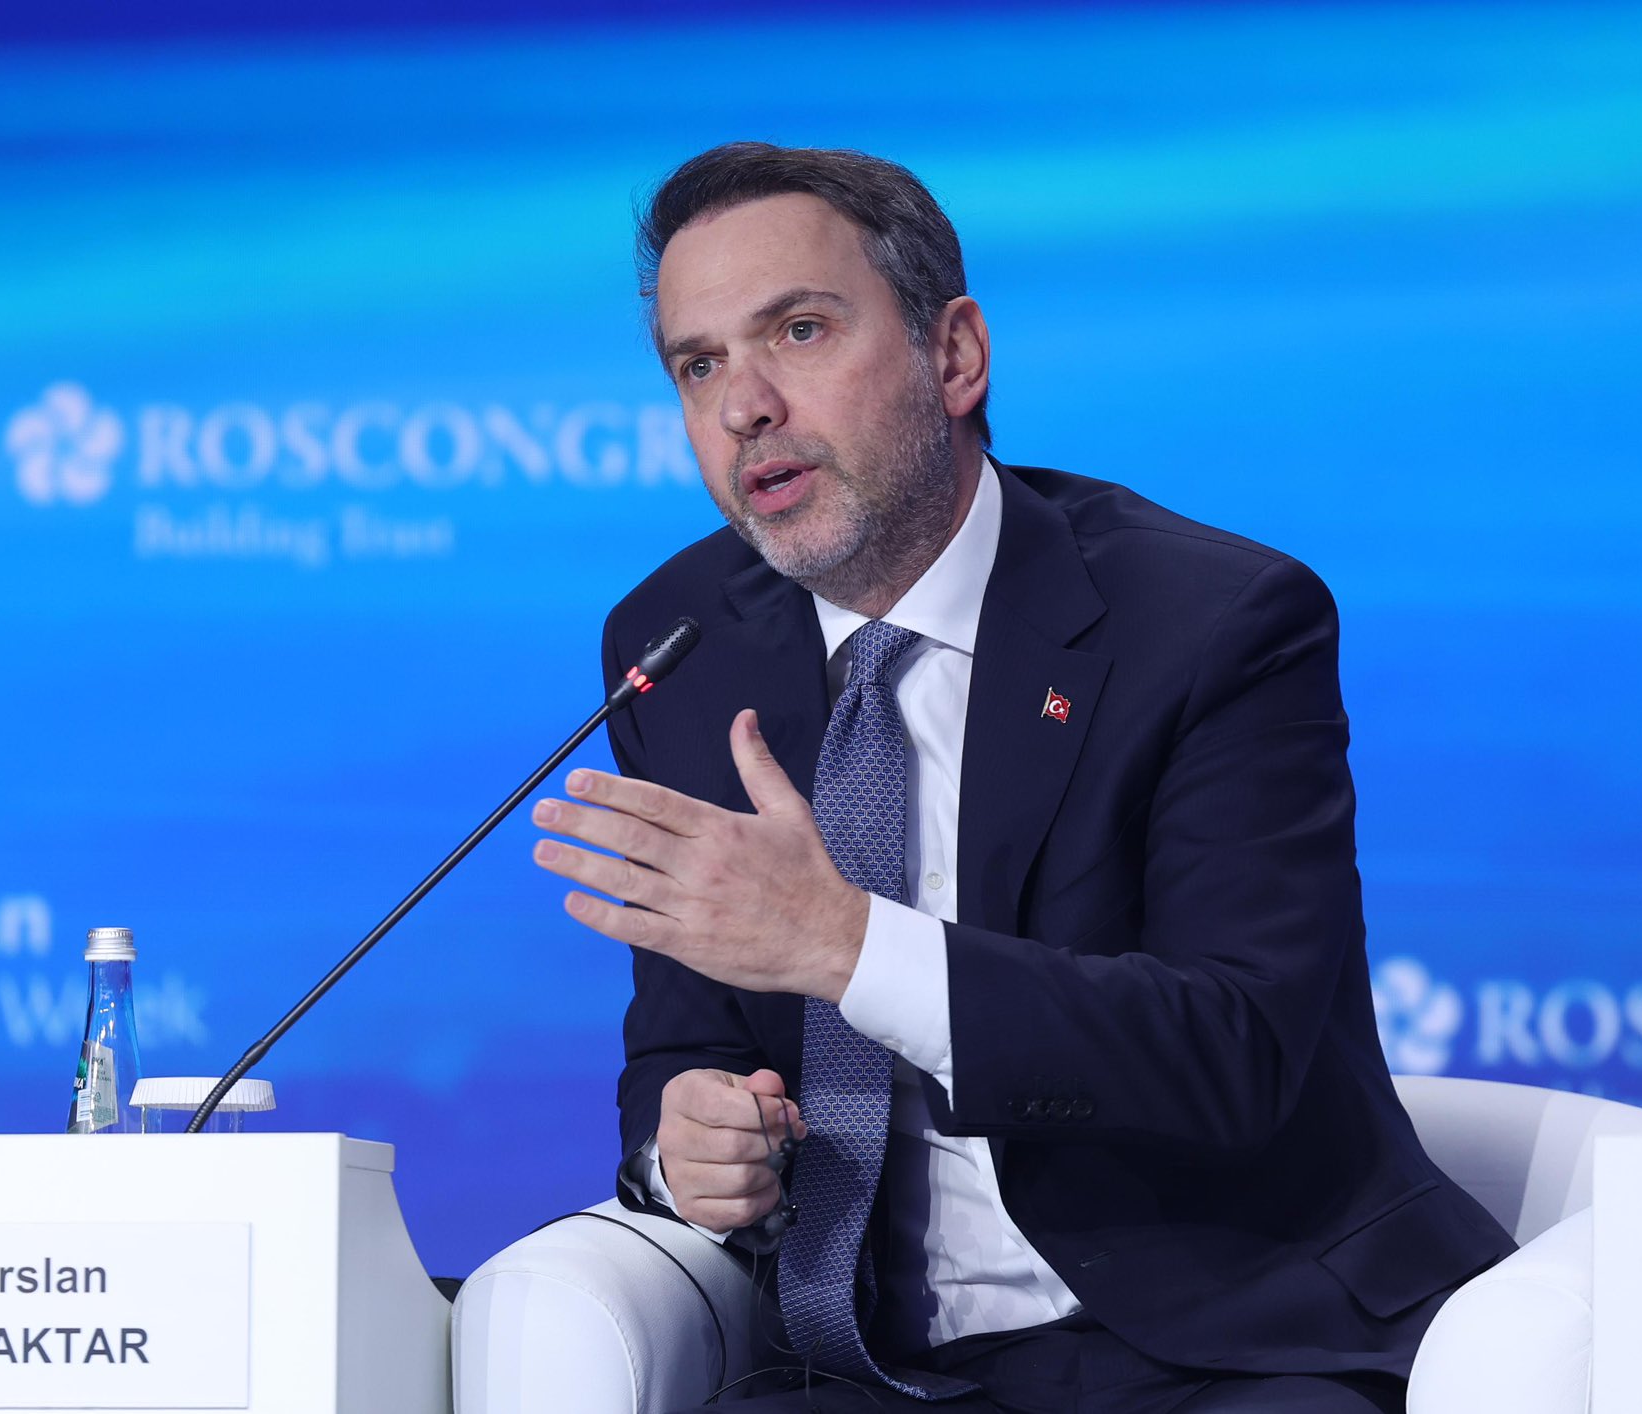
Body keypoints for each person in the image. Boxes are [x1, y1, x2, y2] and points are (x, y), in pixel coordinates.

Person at [530, 142, 1513, 1413]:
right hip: (867, 1371)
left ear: (953, 356)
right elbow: (682, 1046)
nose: (742, 408)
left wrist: (847, 945)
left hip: (1217, 1345)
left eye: (799, 331)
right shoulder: (681, 646)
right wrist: (687, 1147)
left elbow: (1233, 1048)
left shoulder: (1212, 623)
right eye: (698, 365)